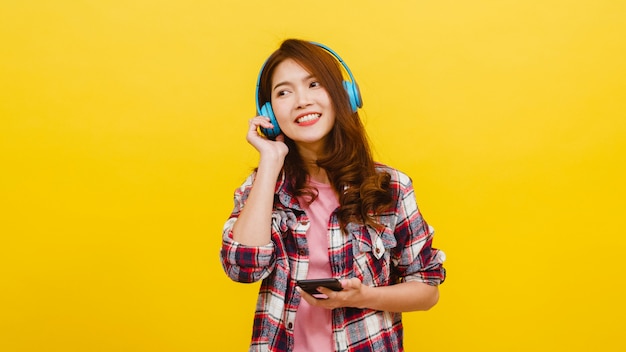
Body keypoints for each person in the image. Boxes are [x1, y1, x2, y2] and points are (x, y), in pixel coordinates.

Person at [220, 39, 446, 352]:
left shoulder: (391, 187)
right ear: (269, 113)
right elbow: (243, 269)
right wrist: (270, 162)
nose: (301, 101)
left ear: (344, 96)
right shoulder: (262, 187)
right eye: (284, 92)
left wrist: (364, 296)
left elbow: (427, 289)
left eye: (314, 84)